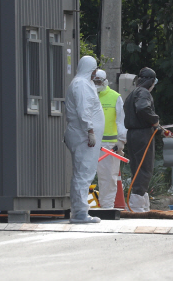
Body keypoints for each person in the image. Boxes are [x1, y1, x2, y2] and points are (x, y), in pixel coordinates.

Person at [64, 56, 105, 223]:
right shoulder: (81, 84)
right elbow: (84, 110)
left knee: (83, 172)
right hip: (83, 136)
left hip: (82, 135)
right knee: (83, 173)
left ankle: (80, 211)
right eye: (94, 68)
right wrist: (90, 131)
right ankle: (80, 212)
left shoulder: (82, 83)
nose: (95, 72)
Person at [123, 67, 165, 212]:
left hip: (133, 134)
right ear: (151, 82)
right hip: (142, 135)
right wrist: (155, 120)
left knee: (137, 167)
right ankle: (137, 203)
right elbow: (142, 109)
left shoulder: (132, 93)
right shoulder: (144, 93)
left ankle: (140, 202)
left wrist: (159, 130)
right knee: (144, 167)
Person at [93, 69, 127, 209]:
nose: (96, 84)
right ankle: (87, 206)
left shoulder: (114, 97)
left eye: (98, 81)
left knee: (108, 177)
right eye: (94, 81)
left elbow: (121, 120)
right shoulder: (89, 95)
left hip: (109, 145)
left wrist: (121, 141)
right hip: (90, 143)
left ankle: (106, 207)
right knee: (85, 176)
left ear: (105, 81)